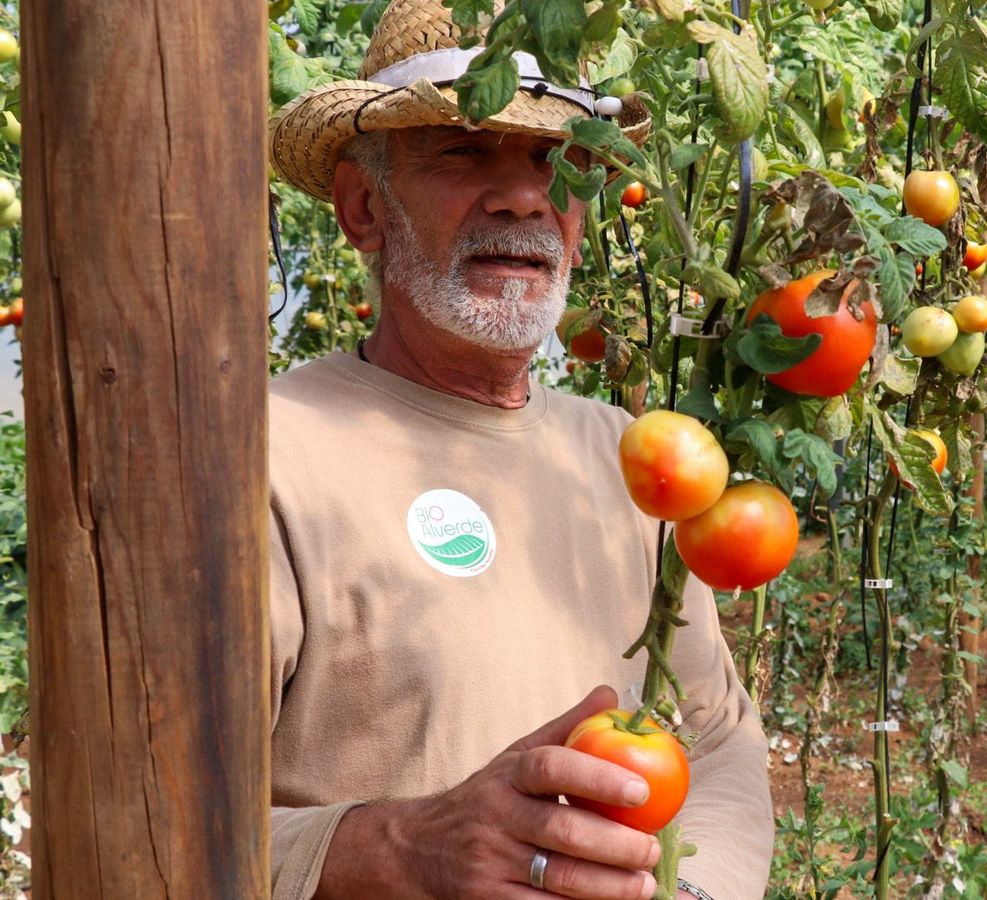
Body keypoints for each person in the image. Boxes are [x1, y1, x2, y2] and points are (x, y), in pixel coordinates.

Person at [263, 2, 773, 898]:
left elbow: (718, 735)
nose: (524, 195)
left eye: (554, 158)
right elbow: (153, 820)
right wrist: (399, 851)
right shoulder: (266, 460)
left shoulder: (632, 459)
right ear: (363, 206)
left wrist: (695, 892)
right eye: (462, 150)